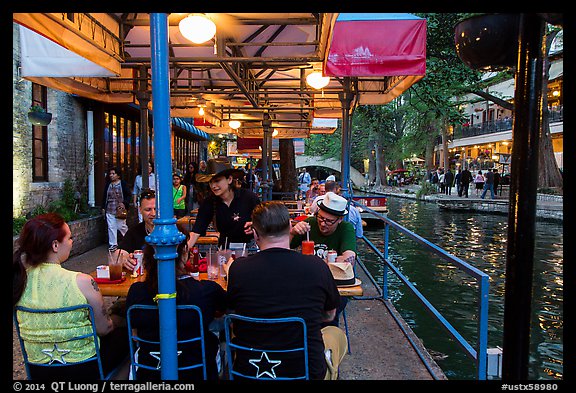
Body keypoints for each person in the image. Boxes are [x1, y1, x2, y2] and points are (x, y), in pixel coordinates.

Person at [226, 201, 347, 380]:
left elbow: (233, 313)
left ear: (255, 233)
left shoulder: (238, 269)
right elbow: (329, 315)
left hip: (249, 372)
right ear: (290, 226)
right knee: (336, 334)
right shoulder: (317, 267)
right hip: (305, 372)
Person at [13, 213, 128, 379]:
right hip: (84, 368)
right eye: (69, 238)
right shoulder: (82, 281)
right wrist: (118, 320)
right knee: (130, 338)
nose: (72, 242)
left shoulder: (19, 281)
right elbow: (104, 329)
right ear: (55, 245)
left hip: (39, 370)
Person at [126, 229, 227, 380]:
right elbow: (228, 309)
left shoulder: (136, 291)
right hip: (198, 371)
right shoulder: (206, 291)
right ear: (185, 252)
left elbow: (134, 332)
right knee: (221, 333)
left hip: (149, 371)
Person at [290, 192, 356, 328]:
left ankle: (328, 342)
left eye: (329, 221)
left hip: (335, 286)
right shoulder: (310, 223)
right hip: (307, 283)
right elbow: (284, 247)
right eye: (320, 218)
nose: (323, 223)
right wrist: (292, 232)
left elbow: (349, 258)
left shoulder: (345, 228)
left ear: (340, 219)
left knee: (326, 311)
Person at [190, 159, 261, 250]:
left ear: (230, 179)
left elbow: (263, 222)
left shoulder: (248, 197)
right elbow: (197, 230)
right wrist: (184, 251)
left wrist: (254, 225)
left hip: (250, 249)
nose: (213, 186)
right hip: (224, 250)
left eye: (217, 181)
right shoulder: (209, 202)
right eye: (210, 182)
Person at [119, 188, 156, 271]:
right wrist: (125, 259)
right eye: (148, 210)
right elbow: (118, 253)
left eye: (156, 209)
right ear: (140, 210)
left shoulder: (173, 230)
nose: (153, 214)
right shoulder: (134, 231)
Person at [102, 166, 131, 252]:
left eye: (113, 174)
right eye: (110, 174)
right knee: (111, 227)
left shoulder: (123, 184)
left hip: (120, 208)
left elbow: (128, 195)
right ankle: (113, 244)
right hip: (110, 208)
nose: (111, 175)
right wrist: (103, 207)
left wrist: (125, 203)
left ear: (118, 175)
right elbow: (105, 196)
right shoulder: (108, 185)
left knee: (121, 226)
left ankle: (129, 238)